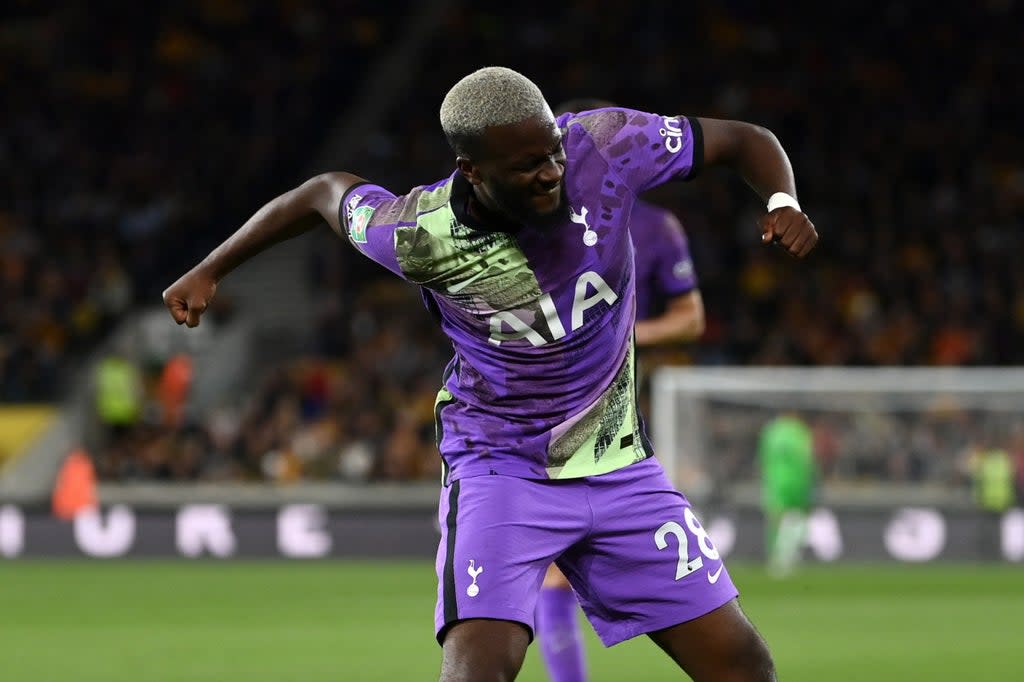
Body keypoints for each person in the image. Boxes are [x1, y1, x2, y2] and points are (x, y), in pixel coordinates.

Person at [163, 67, 817, 681]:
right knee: (480, 668)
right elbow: (320, 194)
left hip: (619, 465)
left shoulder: (606, 146)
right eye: (528, 164)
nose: (551, 172)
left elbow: (742, 140)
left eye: (553, 153)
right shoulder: (418, 233)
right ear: (471, 170)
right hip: (502, 469)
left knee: (743, 665)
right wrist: (211, 268)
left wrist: (783, 198)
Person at [530, 98, 708, 682]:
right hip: (556, 403)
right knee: (555, 570)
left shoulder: (657, 227)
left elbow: (691, 319)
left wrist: (623, 328)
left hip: (631, 400)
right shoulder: (531, 221)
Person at [757, 412, 817, 577]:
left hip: (775, 480)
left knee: (776, 518)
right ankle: (788, 557)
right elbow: (807, 457)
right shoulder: (800, 431)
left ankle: (777, 559)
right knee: (796, 517)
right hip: (797, 481)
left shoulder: (771, 431)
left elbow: (763, 458)